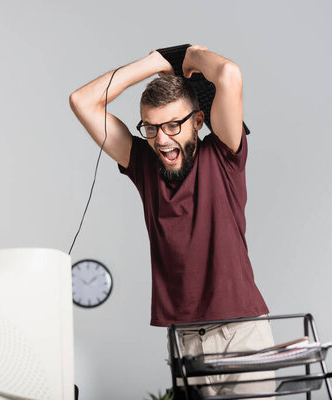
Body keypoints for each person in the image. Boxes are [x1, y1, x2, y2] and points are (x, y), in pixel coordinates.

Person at [69, 45, 275, 398]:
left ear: (197, 121)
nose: (161, 139)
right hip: (185, 341)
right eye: (150, 127)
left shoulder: (223, 156)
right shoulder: (144, 166)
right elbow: (82, 101)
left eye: (172, 125)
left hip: (242, 335)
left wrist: (190, 57)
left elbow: (228, 75)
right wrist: (153, 63)